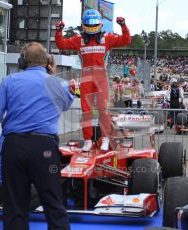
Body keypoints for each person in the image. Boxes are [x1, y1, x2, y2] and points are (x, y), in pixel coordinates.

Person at [0, 42, 72, 230]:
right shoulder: (58, 83)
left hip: (14, 146)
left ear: (22, 61)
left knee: (15, 205)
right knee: (53, 202)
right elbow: (65, 105)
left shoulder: (10, 81)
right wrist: (53, 75)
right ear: (48, 62)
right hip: (45, 148)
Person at [55, 9, 131, 151]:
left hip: (101, 77)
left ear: (100, 24)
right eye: (88, 24)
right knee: (86, 110)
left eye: (94, 24)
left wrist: (123, 25)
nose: (91, 26)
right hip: (86, 78)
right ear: (83, 24)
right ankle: (88, 140)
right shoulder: (78, 40)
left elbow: (126, 40)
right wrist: (59, 30)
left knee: (103, 109)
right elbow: (61, 45)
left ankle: (106, 138)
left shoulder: (107, 38)